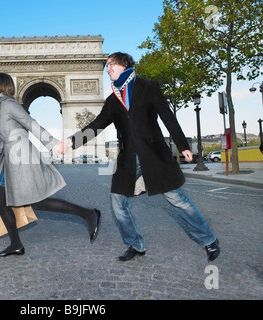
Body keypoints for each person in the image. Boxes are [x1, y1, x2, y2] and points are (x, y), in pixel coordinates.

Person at [59, 52, 220, 263]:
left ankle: (208, 240)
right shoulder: (112, 100)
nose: (106, 69)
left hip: (154, 155)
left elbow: (167, 116)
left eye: (110, 65)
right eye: (106, 66)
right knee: (118, 203)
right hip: (128, 158)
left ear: (123, 64)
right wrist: (70, 142)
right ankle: (135, 244)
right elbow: (96, 126)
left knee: (178, 200)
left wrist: (183, 145)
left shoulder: (149, 87)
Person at [0, 72, 101, 257]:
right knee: (0, 199)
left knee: (37, 201)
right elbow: (7, 135)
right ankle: (16, 244)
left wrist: (53, 143)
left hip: (20, 158)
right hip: (9, 159)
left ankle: (88, 214)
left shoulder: (7, 104)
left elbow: (30, 123)